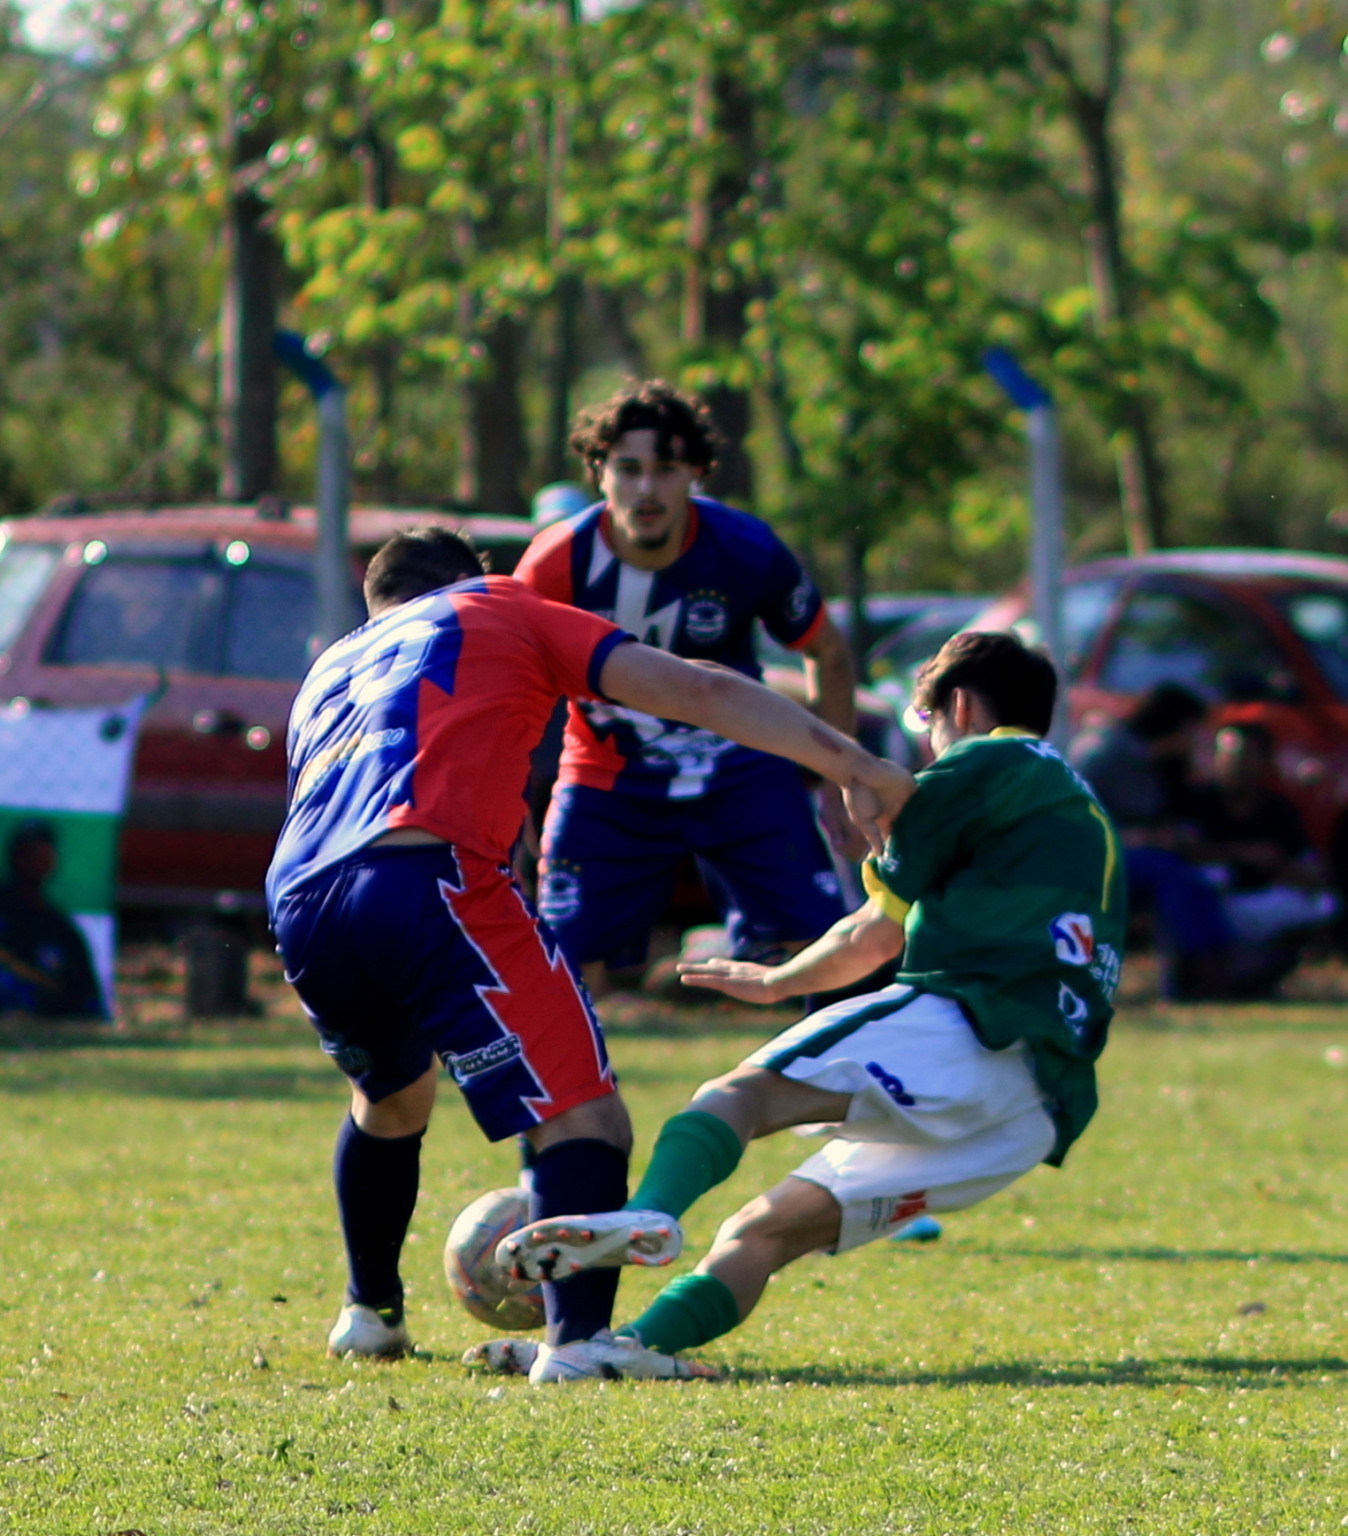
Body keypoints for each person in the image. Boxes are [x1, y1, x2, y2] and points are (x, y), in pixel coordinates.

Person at [264, 526, 912, 1373]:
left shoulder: (331, 669)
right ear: (475, 578)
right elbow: (694, 689)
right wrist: (854, 762)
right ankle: (578, 1345)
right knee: (587, 1113)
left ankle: (370, 1314)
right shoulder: (501, 605)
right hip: (426, 872)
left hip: (301, 898)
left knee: (390, 1100)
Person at [484, 631, 1126, 1381]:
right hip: (1033, 1109)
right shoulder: (1064, 804)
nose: (930, 749)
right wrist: (778, 982)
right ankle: (619, 1352)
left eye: (929, 730)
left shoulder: (991, 759)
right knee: (767, 1230)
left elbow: (892, 806)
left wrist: (857, 786)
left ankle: (648, 1211)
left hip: (974, 1023)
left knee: (738, 1095)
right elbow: (877, 931)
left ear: (959, 706)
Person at [513, 380, 860, 993]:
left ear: (696, 474)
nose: (646, 490)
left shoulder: (745, 550)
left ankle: (834, 1087)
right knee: (560, 971)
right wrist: (509, 801)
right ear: (598, 473)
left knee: (830, 950)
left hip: (741, 770)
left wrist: (840, 783)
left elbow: (828, 652)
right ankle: (572, 1092)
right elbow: (509, 687)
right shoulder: (553, 565)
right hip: (607, 779)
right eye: (629, 469)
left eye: (666, 470)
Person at [1068, 684, 1233, 999]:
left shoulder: (1158, 763)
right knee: (1173, 873)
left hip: (1131, 859)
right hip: (1090, 862)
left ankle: (1203, 967)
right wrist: (1137, 837)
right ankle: (1207, 967)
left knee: (1187, 875)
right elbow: (1076, 819)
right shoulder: (1106, 752)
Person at [1186, 721, 1337, 960]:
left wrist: (1279, 866)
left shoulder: (1278, 809)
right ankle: (1207, 965)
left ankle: (1270, 963)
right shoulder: (1197, 803)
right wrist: (1242, 853)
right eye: (1225, 756)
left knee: (1325, 904)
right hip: (1211, 903)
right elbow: (1182, 849)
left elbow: (1313, 871)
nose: (1234, 764)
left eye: (1244, 756)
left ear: (1264, 761)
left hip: (1261, 902)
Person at [0, 820, 104, 1019]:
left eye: (41, 855)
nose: (33, 862)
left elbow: (88, 1006)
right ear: (13, 856)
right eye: (27, 853)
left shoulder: (62, 932)